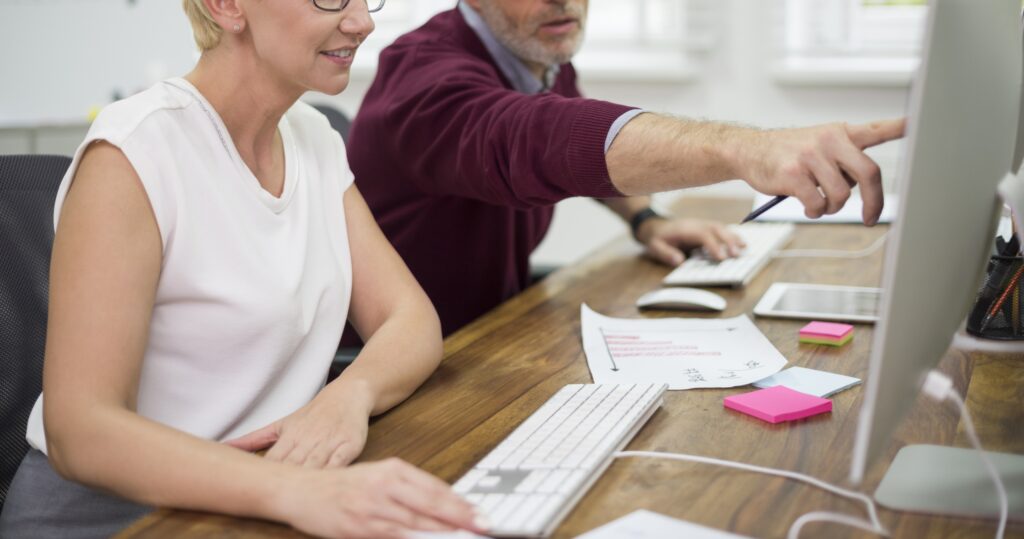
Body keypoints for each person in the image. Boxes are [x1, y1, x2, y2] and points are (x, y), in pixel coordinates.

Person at [0, 1, 483, 538]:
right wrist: (296, 491)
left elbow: (410, 318)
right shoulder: (135, 152)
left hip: (257, 497)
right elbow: (81, 433)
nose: (362, 22)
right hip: (119, 516)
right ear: (227, 6)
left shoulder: (312, 137)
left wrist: (348, 396)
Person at [347, 0, 905, 337]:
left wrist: (645, 220)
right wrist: (747, 149)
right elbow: (537, 139)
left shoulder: (535, 49)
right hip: (416, 371)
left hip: (495, 329)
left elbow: (572, 147)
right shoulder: (422, 80)